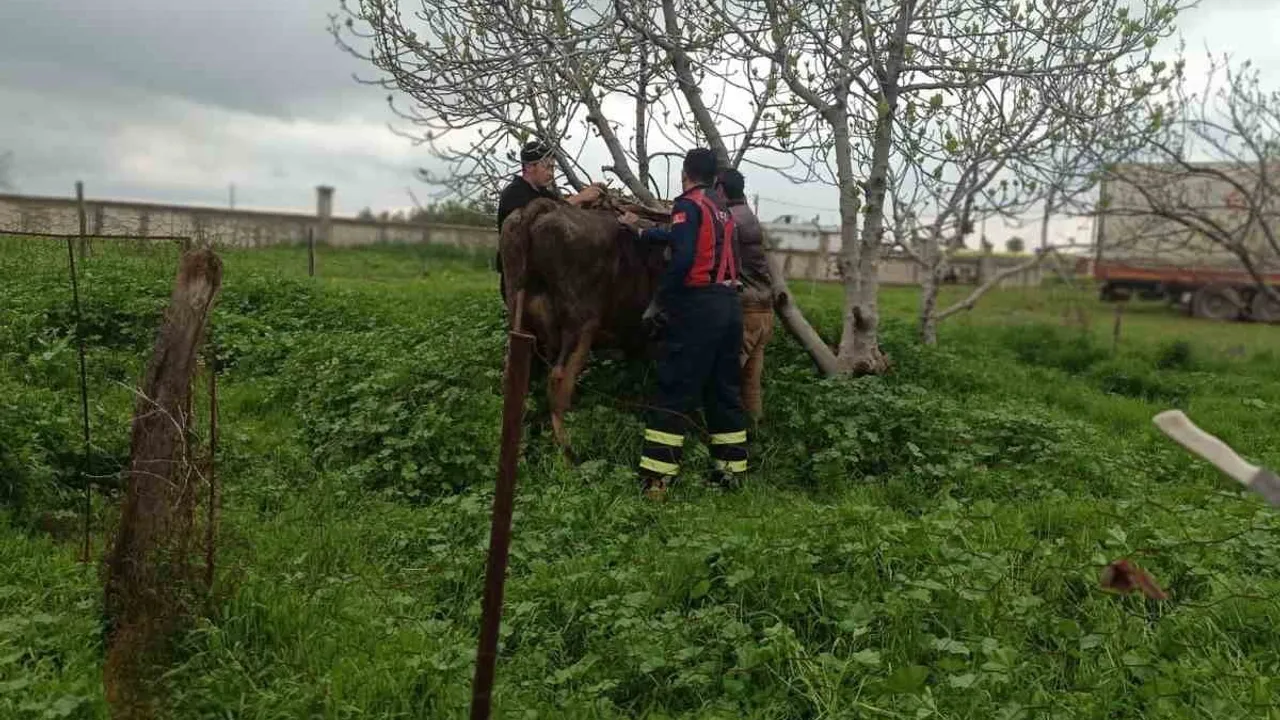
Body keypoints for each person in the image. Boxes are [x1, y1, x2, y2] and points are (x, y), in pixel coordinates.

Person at [621, 148, 748, 500]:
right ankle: (731, 476)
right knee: (724, 392)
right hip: (730, 306)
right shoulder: (722, 209)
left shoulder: (688, 204)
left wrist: (661, 301)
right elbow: (681, 236)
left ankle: (656, 480)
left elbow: (683, 256)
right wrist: (643, 232)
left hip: (699, 307)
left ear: (685, 174)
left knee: (674, 388)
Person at [494, 139, 606, 301]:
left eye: (553, 168)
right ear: (529, 167)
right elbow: (541, 216)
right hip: (522, 281)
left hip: (545, 276)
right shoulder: (513, 194)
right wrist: (579, 197)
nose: (551, 173)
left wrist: (586, 200)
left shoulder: (545, 194)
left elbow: (563, 210)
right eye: (547, 167)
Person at [715, 168, 775, 419]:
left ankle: (722, 432)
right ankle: (756, 430)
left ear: (720, 189)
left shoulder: (729, 220)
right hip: (764, 312)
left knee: (723, 378)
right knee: (751, 382)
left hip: (746, 311)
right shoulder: (750, 216)